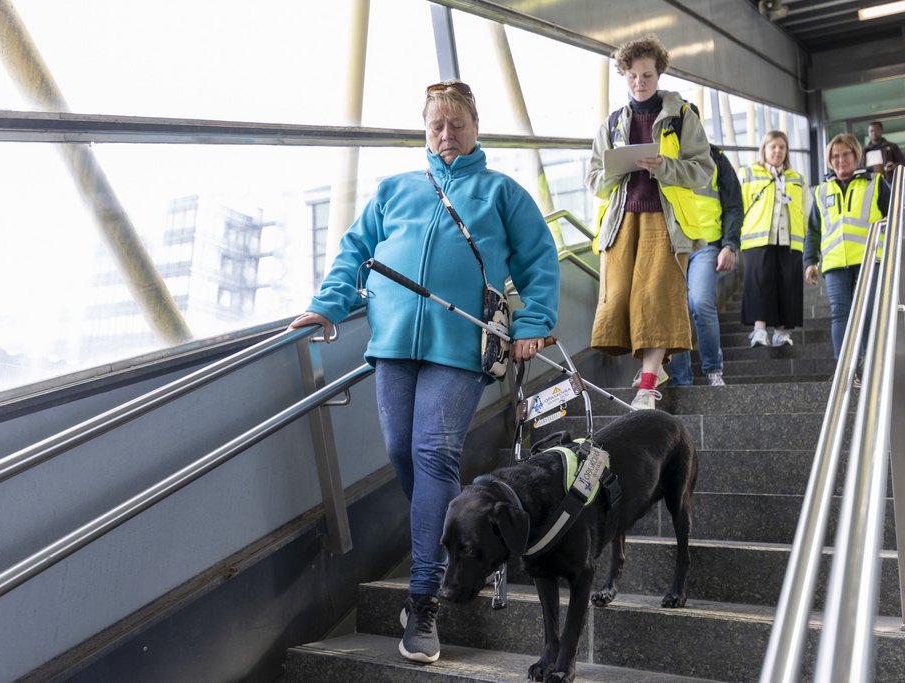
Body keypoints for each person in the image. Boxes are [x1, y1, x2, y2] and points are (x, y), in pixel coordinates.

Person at [288, 79, 559, 665]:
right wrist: (330, 303)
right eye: (436, 124)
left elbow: (540, 258)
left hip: (458, 345)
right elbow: (356, 249)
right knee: (401, 453)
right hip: (392, 343)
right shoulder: (396, 189)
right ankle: (461, 529)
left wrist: (534, 321)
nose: (446, 134)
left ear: (475, 127)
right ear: (425, 128)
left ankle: (424, 597)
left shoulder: (500, 192)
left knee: (434, 453)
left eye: (456, 124)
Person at [586, 34, 713, 410]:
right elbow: (594, 179)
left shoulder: (683, 115)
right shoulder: (611, 123)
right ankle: (652, 372)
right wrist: (617, 170)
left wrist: (666, 167)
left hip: (666, 220)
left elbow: (703, 169)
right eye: (632, 76)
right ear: (624, 76)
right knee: (620, 301)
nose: (639, 83)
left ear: (659, 75)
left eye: (646, 75)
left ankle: (646, 387)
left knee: (656, 300)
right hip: (622, 221)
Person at [804, 132, 890, 373]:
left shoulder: (875, 183)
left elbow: (895, 214)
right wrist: (810, 261)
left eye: (845, 154)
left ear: (856, 155)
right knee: (840, 313)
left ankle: (870, 363)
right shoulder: (822, 191)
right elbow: (813, 230)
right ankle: (845, 369)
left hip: (869, 258)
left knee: (869, 309)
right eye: (835, 156)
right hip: (834, 264)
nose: (840, 160)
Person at [668, 143, 742, 387]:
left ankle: (713, 370)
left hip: (706, 244)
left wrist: (729, 245)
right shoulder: (664, 157)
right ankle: (680, 380)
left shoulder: (717, 159)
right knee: (674, 310)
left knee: (700, 301)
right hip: (672, 246)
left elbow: (733, 204)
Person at [739, 131, 808, 349]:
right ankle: (759, 331)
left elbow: (806, 211)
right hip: (757, 239)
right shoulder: (749, 173)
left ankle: (781, 333)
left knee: (786, 285)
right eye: (773, 147)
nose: (777, 151)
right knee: (760, 283)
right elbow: (738, 205)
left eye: (782, 147)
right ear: (764, 150)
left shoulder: (797, 178)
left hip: (790, 240)